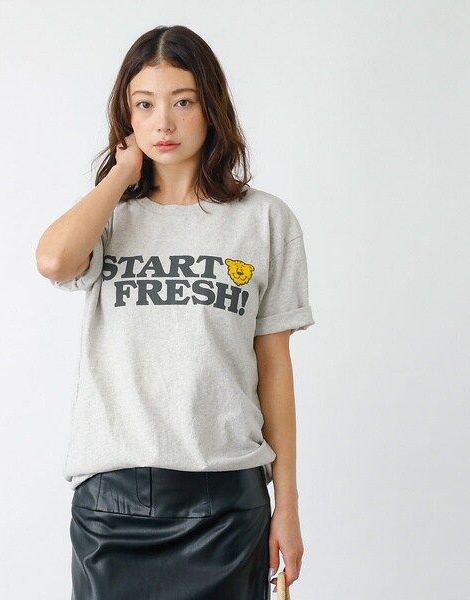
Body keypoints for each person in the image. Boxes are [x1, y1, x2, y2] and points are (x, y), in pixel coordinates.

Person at [35, 24, 315, 600]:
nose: (163, 122)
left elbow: (274, 369)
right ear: (127, 117)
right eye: (145, 105)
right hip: (114, 506)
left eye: (182, 102)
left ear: (211, 106)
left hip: (228, 501)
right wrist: (121, 175)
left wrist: (285, 506)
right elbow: (54, 260)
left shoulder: (264, 220)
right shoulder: (109, 218)